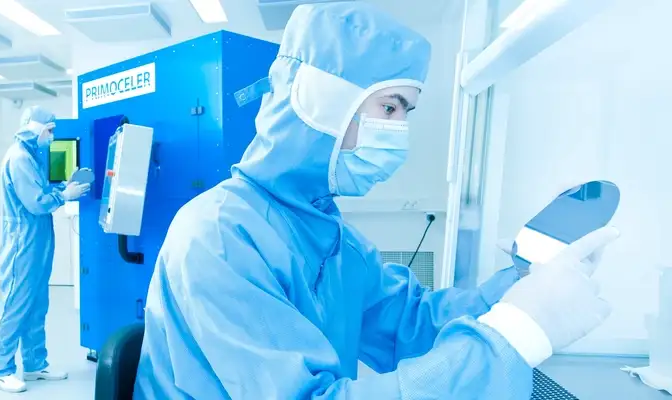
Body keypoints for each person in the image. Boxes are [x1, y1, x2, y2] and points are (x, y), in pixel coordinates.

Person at [134, 3, 618, 399]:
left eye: (405, 113)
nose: (398, 133)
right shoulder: (219, 235)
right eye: (388, 108)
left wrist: (523, 282)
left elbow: (413, 326)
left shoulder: (330, 235)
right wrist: (518, 331)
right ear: (320, 102)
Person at [0, 106, 90, 393]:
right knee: (15, 305)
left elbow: (40, 191)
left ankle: (34, 364)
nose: (53, 135)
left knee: (36, 306)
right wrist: (65, 194)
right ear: (36, 128)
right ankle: (1, 370)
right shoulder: (19, 157)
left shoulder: (30, 156)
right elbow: (35, 202)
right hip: (22, 243)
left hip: (37, 242)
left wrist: (62, 187)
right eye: (51, 130)